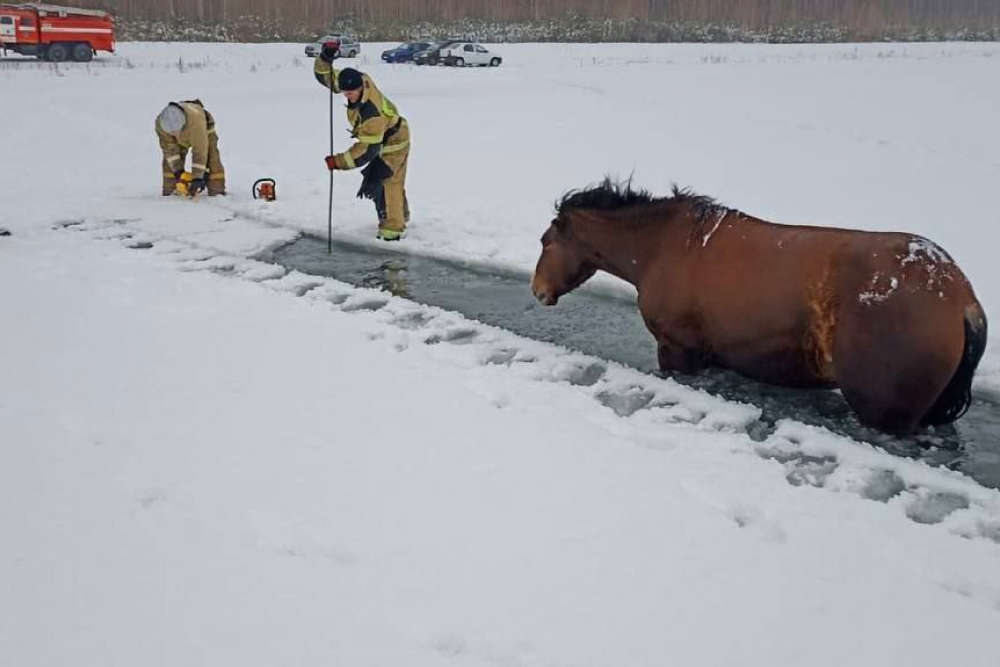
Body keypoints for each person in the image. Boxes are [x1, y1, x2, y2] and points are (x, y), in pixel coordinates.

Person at [314, 44, 411, 241]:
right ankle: (402, 213)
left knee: (385, 182)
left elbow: (366, 150)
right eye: (345, 92)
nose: (347, 96)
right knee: (378, 182)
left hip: (395, 141)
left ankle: (392, 231)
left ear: (361, 88)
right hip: (380, 137)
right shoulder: (355, 80)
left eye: (351, 93)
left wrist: (338, 162)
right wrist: (325, 56)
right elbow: (326, 76)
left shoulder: (371, 114)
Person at [155, 99, 226, 197]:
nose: (175, 134)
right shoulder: (161, 125)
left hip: (202, 128)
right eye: (172, 133)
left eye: (177, 131)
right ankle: (170, 193)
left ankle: (217, 192)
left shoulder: (196, 123)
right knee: (168, 164)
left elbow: (200, 151)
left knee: (212, 158)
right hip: (180, 136)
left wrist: (198, 178)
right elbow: (170, 151)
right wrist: (178, 172)